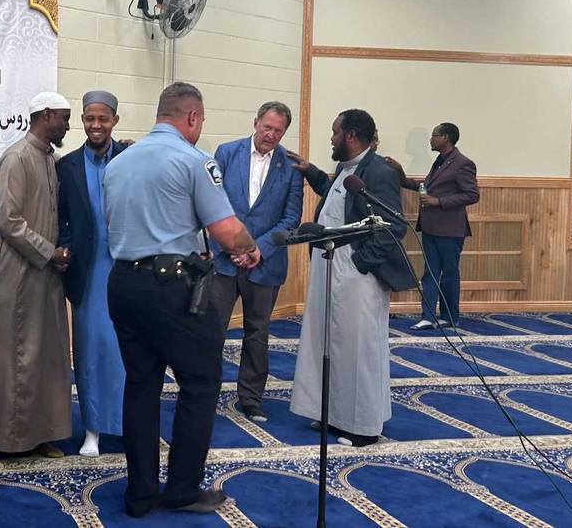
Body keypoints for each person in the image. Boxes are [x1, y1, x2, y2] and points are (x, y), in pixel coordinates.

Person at [102, 82, 261, 518]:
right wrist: (248, 248)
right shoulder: (194, 159)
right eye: (201, 121)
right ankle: (183, 490)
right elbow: (227, 231)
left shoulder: (118, 163)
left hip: (123, 283)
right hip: (172, 287)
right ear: (192, 117)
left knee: (141, 385)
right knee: (201, 382)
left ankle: (139, 495)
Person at [288, 109, 416, 448]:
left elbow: (393, 227)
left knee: (359, 348)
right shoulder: (348, 169)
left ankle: (363, 427)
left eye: (335, 132)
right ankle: (334, 414)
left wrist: (360, 263)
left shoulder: (379, 172)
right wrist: (310, 171)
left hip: (356, 273)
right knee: (329, 342)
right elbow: (337, 198)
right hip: (329, 264)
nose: (331, 138)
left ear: (351, 136)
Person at [0, 92, 74, 467]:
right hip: (13, 276)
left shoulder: (51, 159)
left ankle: (39, 434)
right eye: (63, 118)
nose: (67, 126)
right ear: (46, 115)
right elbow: (8, 222)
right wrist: (50, 252)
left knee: (44, 356)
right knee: (5, 358)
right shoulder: (16, 157)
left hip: (44, 276)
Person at [209, 101, 303, 423]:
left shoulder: (291, 167)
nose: (271, 135)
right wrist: (233, 246)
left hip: (264, 263)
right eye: (267, 127)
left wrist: (257, 250)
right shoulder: (226, 153)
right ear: (255, 123)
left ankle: (251, 398)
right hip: (223, 261)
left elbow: (291, 219)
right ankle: (204, 393)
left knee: (257, 333)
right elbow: (213, 204)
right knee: (212, 330)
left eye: (278, 131)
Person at [56, 90, 128, 458]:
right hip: (88, 274)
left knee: (127, 352)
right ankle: (93, 430)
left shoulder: (130, 159)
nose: (95, 125)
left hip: (128, 271)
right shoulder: (66, 166)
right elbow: (61, 218)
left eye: (102, 119)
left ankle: (129, 425)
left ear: (115, 120)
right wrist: (65, 247)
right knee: (91, 353)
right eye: (89, 119)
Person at [385, 123, 479, 330]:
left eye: (435, 135)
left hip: (450, 230)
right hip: (431, 227)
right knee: (430, 274)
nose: (431, 139)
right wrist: (400, 175)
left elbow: (472, 195)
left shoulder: (463, 163)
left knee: (449, 274)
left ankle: (449, 316)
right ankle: (428, 316)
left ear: (446, 138)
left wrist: (438, 201)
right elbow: (426, 187)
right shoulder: (440, 161)